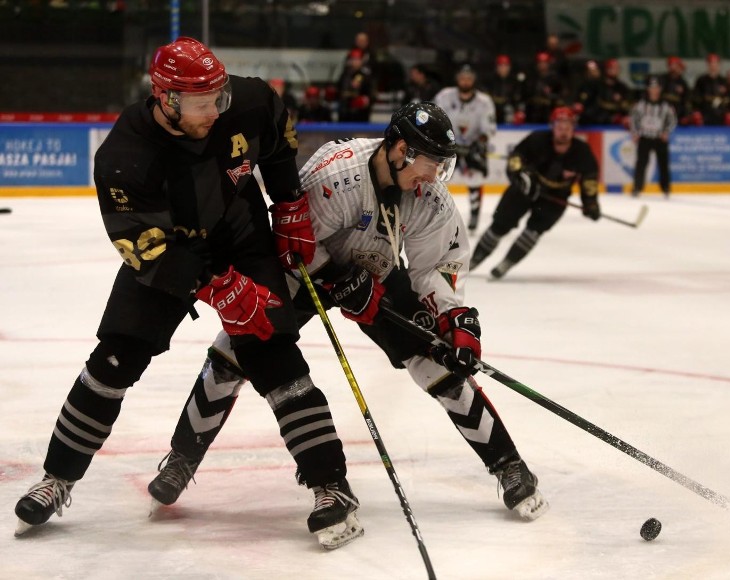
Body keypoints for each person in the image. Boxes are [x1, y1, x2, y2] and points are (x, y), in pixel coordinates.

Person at [13, 36, 364, 549]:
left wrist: (288, 201)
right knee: (115, 357)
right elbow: (144, 247)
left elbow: (277, 127)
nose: (217, 110)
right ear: (167, 99)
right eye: (203, 103)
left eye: (220, 97)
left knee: (273, 351)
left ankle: (332, 485)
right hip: (172, 254)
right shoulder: (124, 155)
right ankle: (57, 478)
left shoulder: (244, 101)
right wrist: (216, 289)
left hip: (241, 237)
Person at [146, 101, 549, 523]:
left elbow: (436, 267)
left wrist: (454, 317)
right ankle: (181, 459)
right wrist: (336, 280)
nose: (433, 178)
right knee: (237, 349)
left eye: (440, 167)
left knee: (437, 356)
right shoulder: (336, 176)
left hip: (375, 269)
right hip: (302, 269)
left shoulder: (428, 195)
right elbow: (292, 240)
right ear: (398, 150)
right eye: (429, 164)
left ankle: (509, 466)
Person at [470, 107, 601, 279]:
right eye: (560, 127)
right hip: (526, 190)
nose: (564, 132)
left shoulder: (582, 151)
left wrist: (590, 203)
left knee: (534, 230)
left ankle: (507, 262)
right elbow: (515, 160)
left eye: (568, 127)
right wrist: (520, 176)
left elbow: (589, 179)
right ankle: (475, 259)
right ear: (552, 127)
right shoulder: (537, 140)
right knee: (500, 224)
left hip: (555, 198)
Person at [434, 64, 497, 233]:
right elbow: (436, 120)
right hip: (449, 145)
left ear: (473, 80)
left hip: (472, 147)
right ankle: (435, 213)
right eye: (463, 78)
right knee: (437, 179)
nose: (465, 81)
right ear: (457, 79)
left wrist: (477, 144)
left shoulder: (484, 101)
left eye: (469, 78)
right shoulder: (445, 96)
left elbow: (488, 129)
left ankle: (475, 213)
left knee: (475, 179)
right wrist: (447, 142)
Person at [629, 76, 677, 198]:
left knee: (663, 164)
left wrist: (666, 132)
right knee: (641, 163)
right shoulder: (641, 105)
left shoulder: (665, 106)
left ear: (660, 89)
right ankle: (637, 187)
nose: (654, 90)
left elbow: (672, 120)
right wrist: (635, 133)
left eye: (656, 87)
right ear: (648, 89)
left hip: (659, 138)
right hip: (645, 137)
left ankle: (665, 187)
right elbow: (633, 119)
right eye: (651, 87)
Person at [483, 54, 525, 125]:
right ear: (496, 67)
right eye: (501, 66)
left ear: (509, 67)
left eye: (505, 66)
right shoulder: (489, 82)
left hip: (509, 117)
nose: (503, 68)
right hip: (492, 117)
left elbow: (519, 101)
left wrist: (519, 112)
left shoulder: (515, 82)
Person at [337, 49, 374, 122]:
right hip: (345, 111)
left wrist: (365, 100)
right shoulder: (345, 75)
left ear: (361, 61)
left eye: (357, 59)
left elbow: (371, 94)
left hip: (360, 113)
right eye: (353, 59)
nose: (355, 62)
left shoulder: (366, 76)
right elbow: (339, 90)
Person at [692, 54, 728, 126]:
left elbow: (727, 99)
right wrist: (697, 110)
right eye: (711, 63)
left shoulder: (723, 81)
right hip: (705, 112)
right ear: (708, 65)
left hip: (720, 113)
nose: (713, 66)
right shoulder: (701, 80)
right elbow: (696, 97)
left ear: (719, 65)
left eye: (715, 63)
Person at [660, 56, 691, 125]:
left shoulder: (683, 82)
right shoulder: (662, 79)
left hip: (678, 116)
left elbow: (686, 101)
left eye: (680, 67)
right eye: (677, 66)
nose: (679, 69)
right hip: (661, 115)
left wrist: (685, 115)